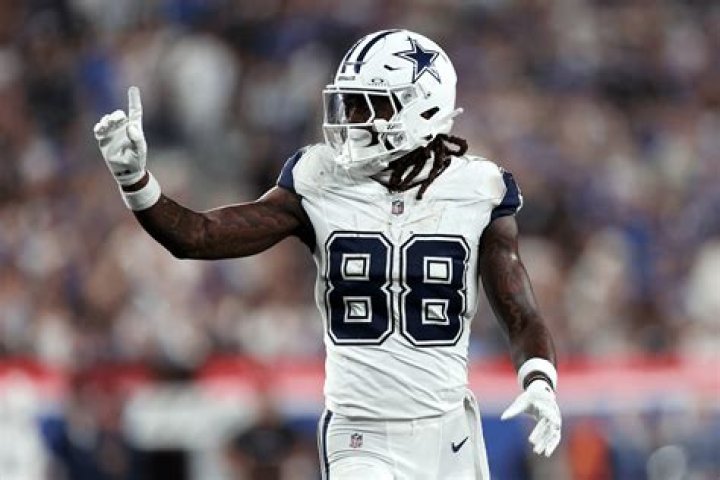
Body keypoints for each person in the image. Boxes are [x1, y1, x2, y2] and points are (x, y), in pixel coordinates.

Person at [93, 29, 561, 480]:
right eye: (349, 102)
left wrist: (539, 378)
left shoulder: (479, 189)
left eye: (370, 104)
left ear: (423, 106)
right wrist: (137, 182)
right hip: (360, 433)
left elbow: (519, 309)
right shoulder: (318, 177)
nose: (352, 117)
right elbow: (198, 236)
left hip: (448, 434)